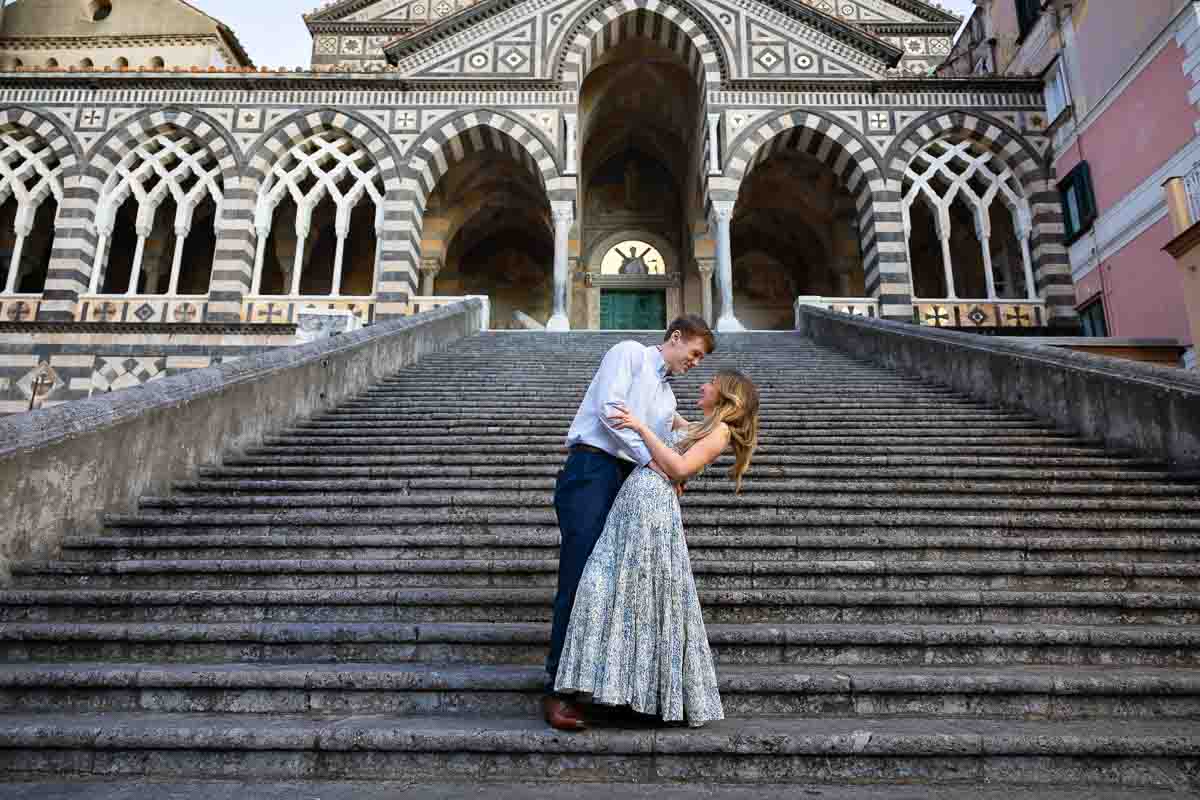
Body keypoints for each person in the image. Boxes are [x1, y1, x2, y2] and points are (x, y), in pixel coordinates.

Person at [553, 369, 760, 728]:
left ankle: (640, 692)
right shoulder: (703, 426)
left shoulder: (722, 432)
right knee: (618, 590)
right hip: (636, 501)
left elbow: (679, 467)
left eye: (710, 382)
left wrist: (639, 427)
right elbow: (664, 414)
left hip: (651, 507)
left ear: (726, 395)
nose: (703, 384)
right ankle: (621, 687)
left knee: (631, 591)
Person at [544, 315, 716, 732]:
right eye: (693, 353)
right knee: (582, 574)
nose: (695, 363)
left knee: (622, 584)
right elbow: (609, 412)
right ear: (675, 337)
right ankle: (557, 690)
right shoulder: (628, 354)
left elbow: (666, 445)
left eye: (701, 359)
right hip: (594, 469)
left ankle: (611, 685)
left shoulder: (668, 400)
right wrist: (655, 464)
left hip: (632, 481)